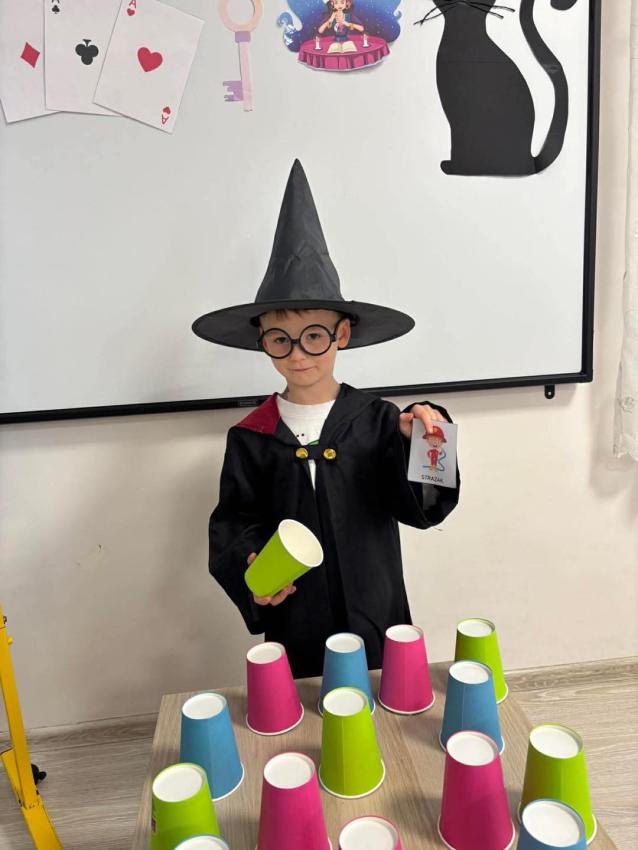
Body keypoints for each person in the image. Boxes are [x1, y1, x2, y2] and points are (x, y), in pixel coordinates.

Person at [192, 160, 460, 679]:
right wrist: (252, 566)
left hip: (375, 608)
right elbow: (235, 523)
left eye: (314, 336)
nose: (297, 354)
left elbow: (425, 510)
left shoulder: (379, 421)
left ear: (342, 334)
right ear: (262, 342)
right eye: (280, 339)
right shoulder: (252, 437)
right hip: (298, 617)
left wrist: (432, 435)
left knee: (381, 704)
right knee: (304, 711)